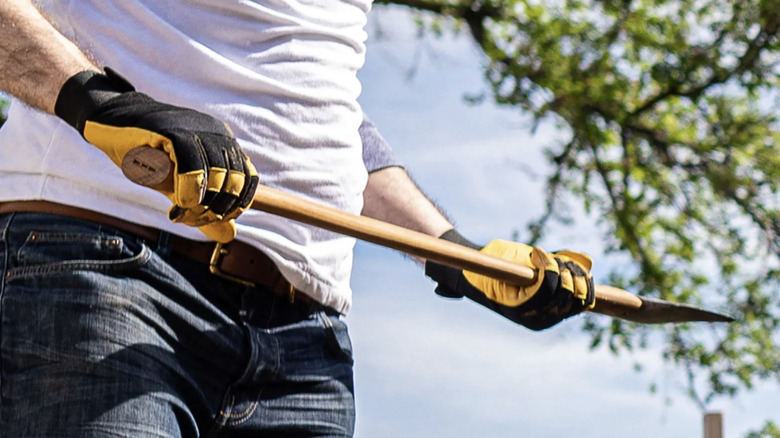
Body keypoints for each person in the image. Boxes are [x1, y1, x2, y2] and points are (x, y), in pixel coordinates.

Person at [0, 0, 596, 436]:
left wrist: (453, 250)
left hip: (306, 343)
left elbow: (323, 118)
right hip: (107, 273)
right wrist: (98, 103)